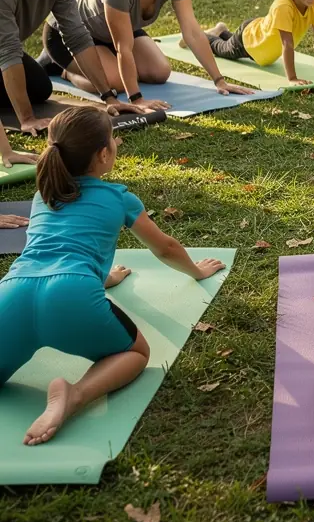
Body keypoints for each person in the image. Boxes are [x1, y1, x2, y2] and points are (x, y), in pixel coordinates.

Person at [0, 105, 225, 445]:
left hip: (12, 293)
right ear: (103, 154)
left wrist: (104, 277)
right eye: (114, 140)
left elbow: (58, 251)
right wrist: (195, 270)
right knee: (135, 354)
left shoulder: (42, 196)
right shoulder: (119, 197)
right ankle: (75, 395)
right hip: (73, 295)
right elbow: (164, 248)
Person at [42, 0, 252, 110]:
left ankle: (94, 68)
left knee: (160, 72)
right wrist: (137, 99)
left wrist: (219, 80)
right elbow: (123, 47)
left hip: (116, 31)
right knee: (118, 83)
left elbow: (193, 33)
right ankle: (65, 71)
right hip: (68, 35)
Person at [0, 0, 134, 134]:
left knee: (40, 88)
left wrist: (108, 97)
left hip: (5, 51)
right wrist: (26, 119)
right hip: (3, 51)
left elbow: (77, 37)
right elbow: (7, 51)